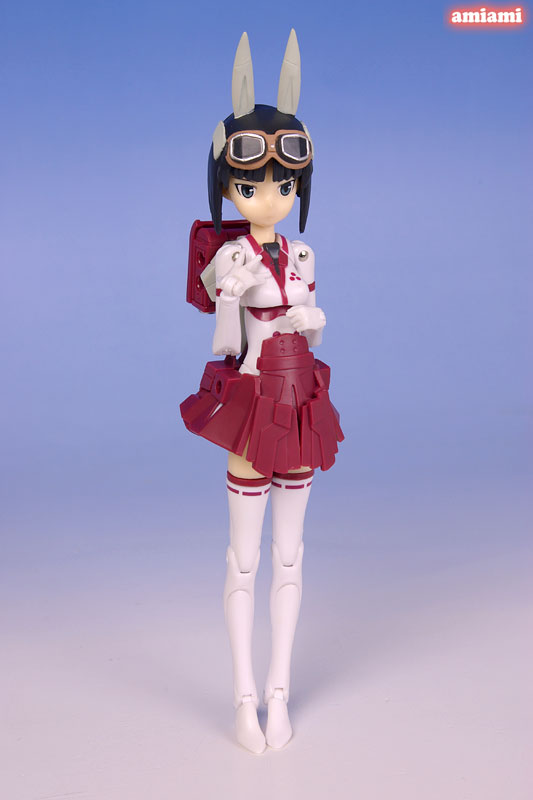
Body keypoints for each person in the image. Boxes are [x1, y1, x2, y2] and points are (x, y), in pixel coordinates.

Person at [181, 30, 343, 753]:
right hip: (253, 403)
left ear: (299, 186)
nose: (269, 197)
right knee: (243, 557)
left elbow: (313, 333)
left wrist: (312, 320)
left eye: (283, 184)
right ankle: (244, 696)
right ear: (227, 185)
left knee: (290, 554)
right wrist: (229, 295)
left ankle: (279, 691)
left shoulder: (302, 253)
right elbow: (225, 345)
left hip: (300, 397)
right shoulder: (229, 255)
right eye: (250, 186)